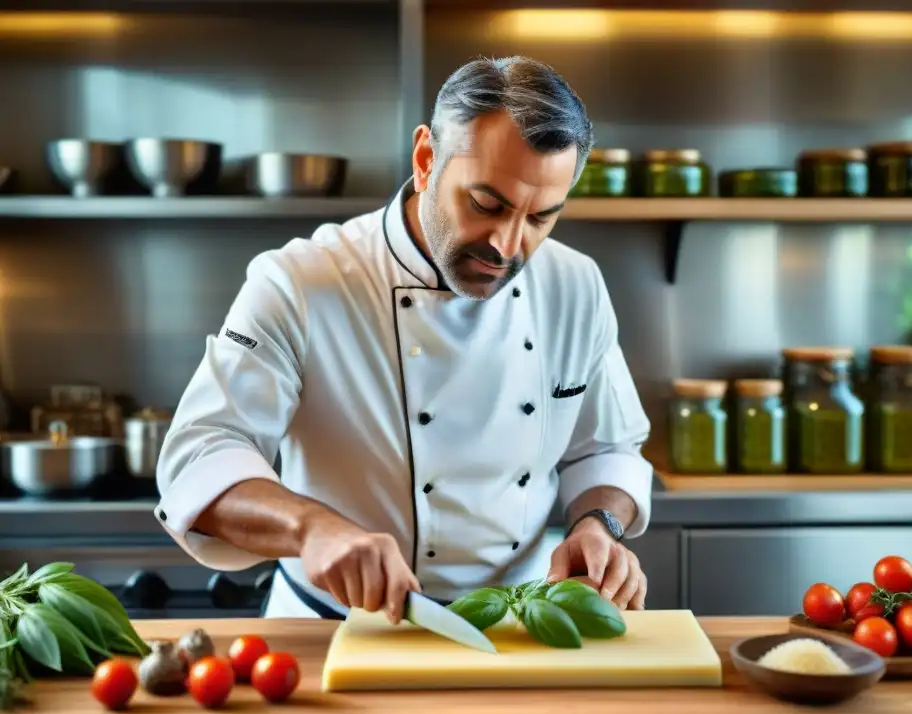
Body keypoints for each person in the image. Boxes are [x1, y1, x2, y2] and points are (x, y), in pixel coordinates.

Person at [154, 55, 653, 622]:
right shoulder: (301, 281)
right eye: (486, 204)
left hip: (518, 629)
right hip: (334, 629)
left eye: (541, 218)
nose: (509, 245)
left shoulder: (575, 284)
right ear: (425, 159)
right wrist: (311, 528)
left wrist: (598, 524)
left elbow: (607, 448)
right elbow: (200, 456)